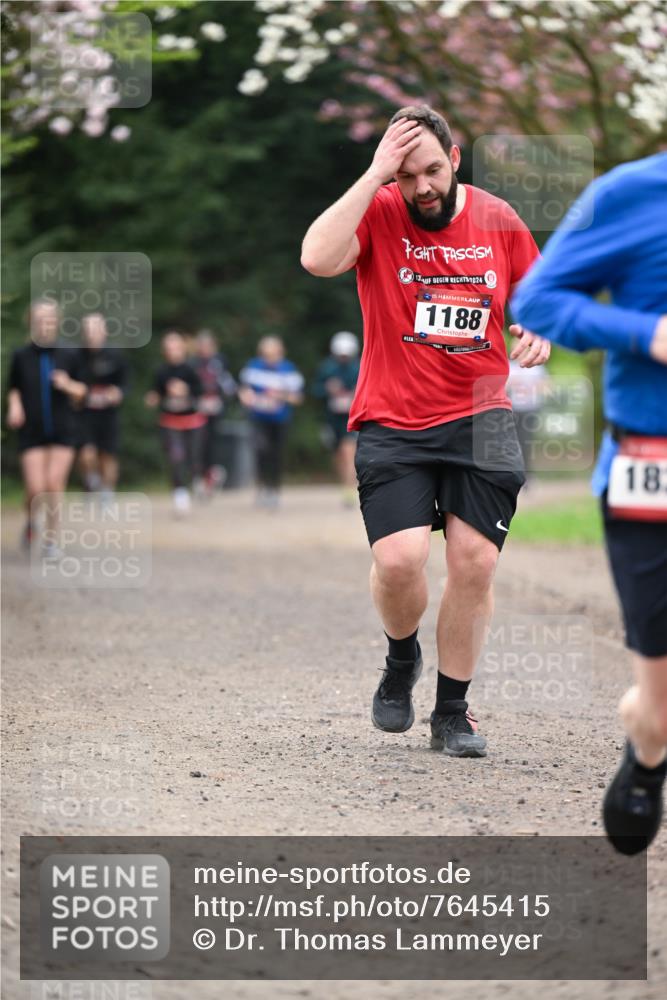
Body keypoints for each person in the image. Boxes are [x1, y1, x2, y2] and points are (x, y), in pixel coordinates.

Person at [301, 105, 550, 756]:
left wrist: (539, 325)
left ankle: (451, 712)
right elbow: (316, 258)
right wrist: (372, 175)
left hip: (482, 412)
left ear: (455, 159)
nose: (422, 188)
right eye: (406, 175)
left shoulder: (496, 217)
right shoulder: (378, 211)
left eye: (432, 171)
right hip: (392, 415)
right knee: (399, 560)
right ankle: (400, 655)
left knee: (474, 562)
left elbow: (540, 295)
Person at [512, 152, 667, 854]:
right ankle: (647, 747)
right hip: (651, 466)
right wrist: (644, 332)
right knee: (657, 707)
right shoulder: (633, 194)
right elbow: (536, 304)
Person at [6, 299, 87, 556]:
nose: (45, 323)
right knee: (35, 488)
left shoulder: (70, 354)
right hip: (32, 430)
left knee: (53, 484)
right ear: (31, 322)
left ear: (57, 322)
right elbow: (14, 388)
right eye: (39, 319)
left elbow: (83, 392)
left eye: (49, 318)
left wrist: (68, 385)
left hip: (63, 429)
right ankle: (31, 522)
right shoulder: (21, 355)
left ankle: (52, 541)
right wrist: (15, 406)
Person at [239, 336, 304, 508]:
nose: (269, 358)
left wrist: (281, 395)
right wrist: (247, 397)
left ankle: (274, 489)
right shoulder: (253, 367)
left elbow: (298, 398)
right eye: (266, 354)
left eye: (272, 354)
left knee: (276, 455)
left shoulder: (289, 370)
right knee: (260, 451)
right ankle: (261, 487)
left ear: (280, 352)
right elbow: (244, 391)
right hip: (258, 418)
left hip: (280, 419)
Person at [145, 331, 205, 517]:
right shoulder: (161, 371)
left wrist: (186, 390)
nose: (172, 351)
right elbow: (156, 392)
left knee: (194, 458)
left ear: (183, 348)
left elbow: (202, 391)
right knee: (176, 458)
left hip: (193, 421)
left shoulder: (192, 368)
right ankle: (180, 495)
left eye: (175, 347)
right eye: (169, 348)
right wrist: (153, 398)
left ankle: (197, 480)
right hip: (170, 422)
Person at [76, 313, 128, 503]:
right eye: (88, 329)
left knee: (108, 455)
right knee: (86, 454)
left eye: (96, 329)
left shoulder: (115, 355)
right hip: (84, 414)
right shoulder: (77, 355)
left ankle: (107, 490)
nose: (92, 333)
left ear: (104, 331)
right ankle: (91, 481)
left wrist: (118, 392)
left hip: (108, 414)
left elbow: (125, 383)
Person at [313, 330, 361, 507]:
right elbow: (315, 390)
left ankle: (349, 489)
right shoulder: (327, 368)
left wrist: (356, 393)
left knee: (349, 452)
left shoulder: (359, 368)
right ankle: (346, 484)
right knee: (338, 455)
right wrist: (328, 389)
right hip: (332, 419)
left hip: (351, 418)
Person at [190, 330, 237, 497]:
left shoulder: (220, 362)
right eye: (202, 345)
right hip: (196, 410)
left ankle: (210, 475)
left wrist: (224, 400)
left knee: (211, 443)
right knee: (197, 444)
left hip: (215, 409)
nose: (204, 349)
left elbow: (228, 385)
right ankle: (200, 477)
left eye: (208, 345)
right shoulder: (192, 363)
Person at [505, 358, 550, 487]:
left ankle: (527, 476)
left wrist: (534, 387)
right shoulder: (510, 366)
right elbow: (499, 386)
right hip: (512, 410)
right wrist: (512, 383)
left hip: (530, 410)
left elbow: (547, 388)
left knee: (526, 443)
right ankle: (513, 474)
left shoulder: (537, 368)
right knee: (511, 443)